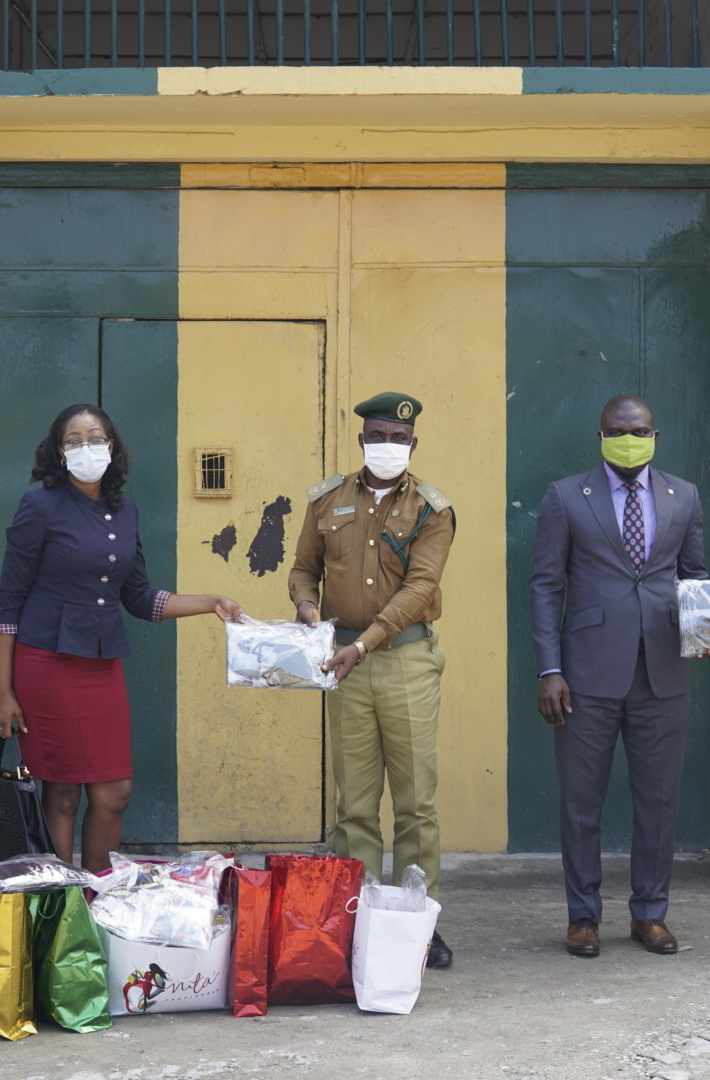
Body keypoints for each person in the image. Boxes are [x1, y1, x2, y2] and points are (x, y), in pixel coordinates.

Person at [0, 403, 242, 872]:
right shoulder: (39, 506)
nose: (86, 447)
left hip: (101, 664)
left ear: (111, 446)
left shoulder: (124, 510)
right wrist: (3, 692)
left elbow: (140, 597)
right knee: (62, 793)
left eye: (95, 437)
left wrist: (210, 602)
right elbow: (7, 605)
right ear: (58, 451)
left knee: (114, 792)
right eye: (73, 439)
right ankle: (60, 908)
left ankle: (98, 895)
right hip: (45, 664)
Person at [528, 394, 710, 958]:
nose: (627, 438)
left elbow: (695, 577)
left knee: (658, 801)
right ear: (601, 435)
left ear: (655, 435)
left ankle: (650, 915)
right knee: (581, 802)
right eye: (616, 430)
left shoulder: (684, 496)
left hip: (662, 673)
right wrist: (550, 668)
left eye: (638, 430)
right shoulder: (566, 496)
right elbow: (545, 586)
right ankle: (583, 917)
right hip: (584, 675)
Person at [287, 391, 457, 970]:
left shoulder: (433, 510)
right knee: (354, 805)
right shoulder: (327, 499)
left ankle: (418, 925)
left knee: (414, 804)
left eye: (399, 439)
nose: (388, 446)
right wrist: (308, 609)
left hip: (404, 660)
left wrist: (364, 643)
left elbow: (421, 589)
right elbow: (303, 569)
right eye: (378, 436)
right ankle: (354, 921)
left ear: (414, 445)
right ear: (361, 440)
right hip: (342, 662)